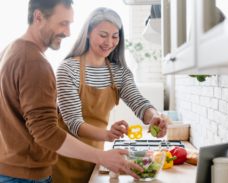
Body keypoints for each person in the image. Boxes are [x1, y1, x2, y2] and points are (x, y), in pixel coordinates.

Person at [0, 1, 143, 183]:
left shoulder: (11, 50)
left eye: (70, 24)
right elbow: (46, 132)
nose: (68, 33)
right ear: (38, 17)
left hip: (9, 168)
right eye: (62, 23)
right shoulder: (35, 63)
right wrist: (103, 157)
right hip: (27, 174)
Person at [52, 7, 168, 183]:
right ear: (88, 33)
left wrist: (154, 116)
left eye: (115, 36)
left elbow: (139, 102)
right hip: (63, 160)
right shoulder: (67, 69)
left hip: (97, 159)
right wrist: (107, 134)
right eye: (103, 35)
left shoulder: (119, 72)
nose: (109, 42)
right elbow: (74, 123)